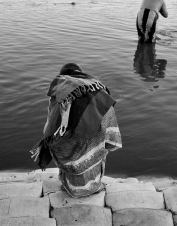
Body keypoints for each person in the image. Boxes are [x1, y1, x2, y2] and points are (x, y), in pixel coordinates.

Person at [31, 63, 122, 198]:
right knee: (97, 147)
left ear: (63, 76)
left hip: (71, 143)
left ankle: (72, 188)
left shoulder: (59, 93)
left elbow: (51, 129)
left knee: (68, 146)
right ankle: (94, 186)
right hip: (94, 137)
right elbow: (109, 116)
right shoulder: (97, 89)